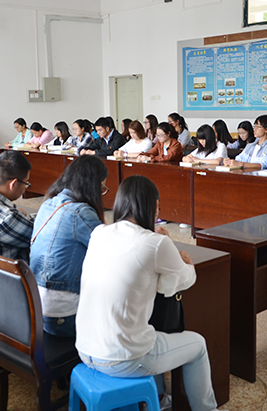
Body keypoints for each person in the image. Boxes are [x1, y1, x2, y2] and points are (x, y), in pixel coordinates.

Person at [76, 175, 224, 411]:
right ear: (154, 206)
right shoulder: (156, 243)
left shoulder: (99, 233)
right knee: (197, 344)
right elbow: (183, 281)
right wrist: (179, 255)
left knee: (149, 331)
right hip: (122, 358)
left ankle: (159, 399)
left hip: (84, 349)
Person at [29, 156, 107, 337]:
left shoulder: (48, 203)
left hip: (37, 304)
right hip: (62, 313)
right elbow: (110, 250)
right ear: (92, 185)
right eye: (102, 187)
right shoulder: (80, 212)